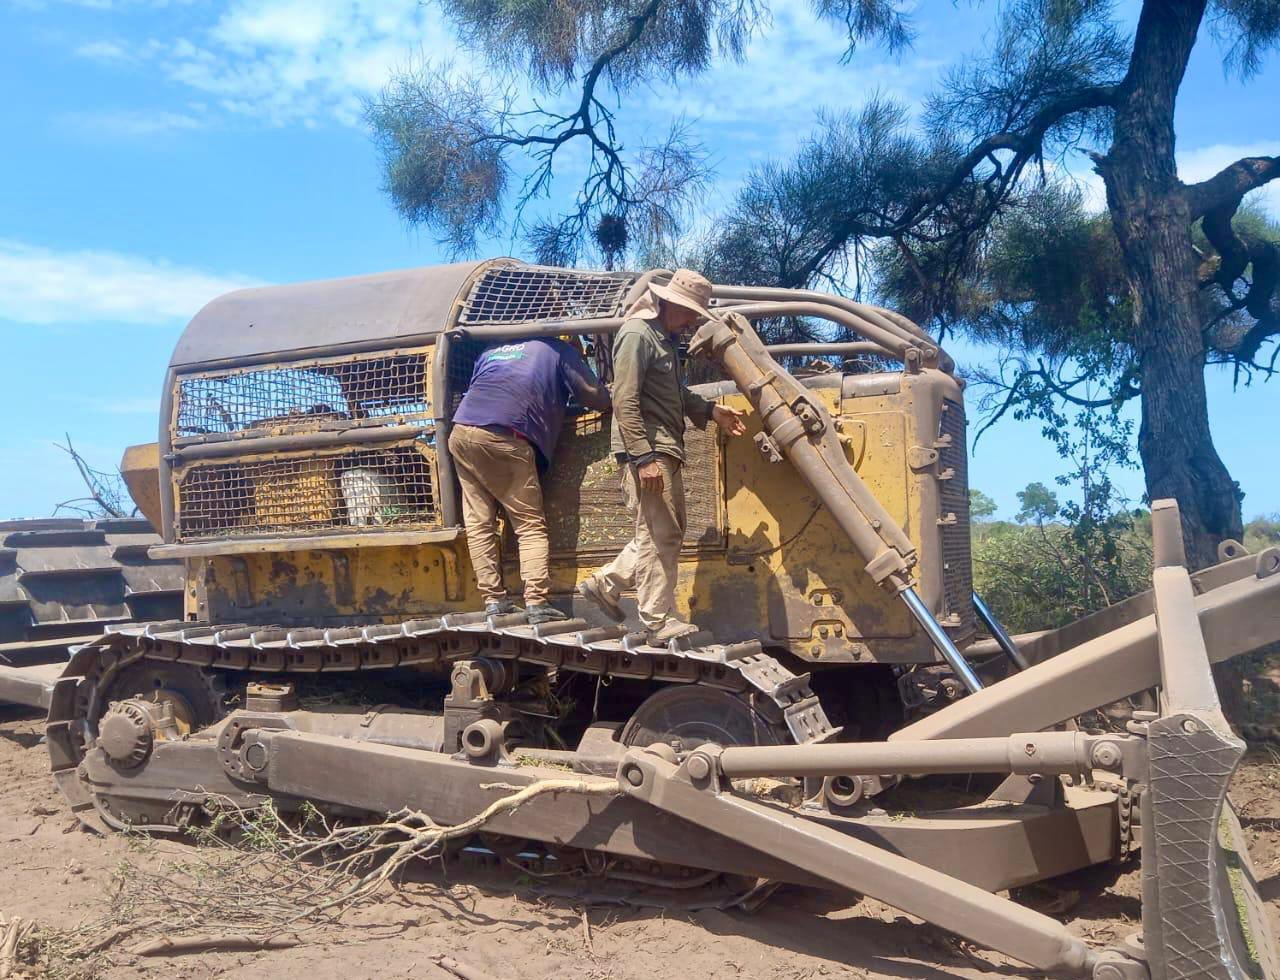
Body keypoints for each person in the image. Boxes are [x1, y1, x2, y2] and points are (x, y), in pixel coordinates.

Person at [577, 269, 746, 643]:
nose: (691, 323)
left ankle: (606, 583)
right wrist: (643, 457)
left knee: (663, 531)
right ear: (671, 303)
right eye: (689, 313)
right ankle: (656, 618)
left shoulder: (663, 340)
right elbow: (624, 398)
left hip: (664, 447)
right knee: (661, 534)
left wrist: (712, 411)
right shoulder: (638, 334)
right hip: (650, 450)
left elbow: (676, 394)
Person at [449, 337, 610, 624]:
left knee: (479, 522)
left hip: (462, 432)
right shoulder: (559, 350)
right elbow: (594, 396)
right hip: (505, 437)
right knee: (529, 524)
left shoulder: (491, 349)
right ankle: (536, 601)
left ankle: (494, 601)